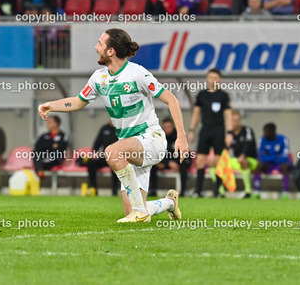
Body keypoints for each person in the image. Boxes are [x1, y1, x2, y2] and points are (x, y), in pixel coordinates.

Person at [38, 29, 189, 222]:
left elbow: (172, 101)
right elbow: (78, 101)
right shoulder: (99, 78)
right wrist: (52, 106)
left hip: (151, 140)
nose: (95, 47)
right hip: (128, 148)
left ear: (111, 51)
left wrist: (181, 136)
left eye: (100, 43)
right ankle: (169, 203)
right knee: (130, 212)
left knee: (112, 152)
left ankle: (140, 211)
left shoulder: (138, 74)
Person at [189, 68, 233, 198]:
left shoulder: (223, 96)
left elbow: (228, 114)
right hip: (205, 130)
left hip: (219, 131)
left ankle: (217, 191)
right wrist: (191, 130)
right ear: (207, 79)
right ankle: (198, 191)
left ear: (219, 80)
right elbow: (196, 113)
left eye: (216, 77)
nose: (213, 79)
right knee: (200, 161)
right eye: (211, 77)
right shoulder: (202, 94)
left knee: (219, 161)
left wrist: (229, 132)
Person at [149, 117, 192, 197]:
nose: (167, 129)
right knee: (153, 164)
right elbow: (158, 152)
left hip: (179, 161)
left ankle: (183, 191)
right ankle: (153, 190)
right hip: (166, 161)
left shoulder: (179, 137)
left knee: (183, 165)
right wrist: (167, 163)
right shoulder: (160, 138)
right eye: (165, 128)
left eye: (169, 127)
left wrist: (175, 162)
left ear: (173, 127)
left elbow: (183, 152)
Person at [76, 121, 119, 197]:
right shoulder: (104, 128)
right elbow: (97, 143)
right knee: (91, 162)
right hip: (104, 156)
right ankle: (93, 188)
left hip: (118, 157)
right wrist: (95, 153)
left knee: (114, 166)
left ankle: (114, 191)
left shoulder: (121, 128)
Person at [253, 123, 292, 199]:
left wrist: (269, 156)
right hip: (268, 164)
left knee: (285, 166)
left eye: (266, 132)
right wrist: (276, 156)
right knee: (259, 166)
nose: (264, 134)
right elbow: (261, 157)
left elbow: (285, 157)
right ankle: (256, 192)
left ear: (272, 132)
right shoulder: (262, 140)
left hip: (280, 164)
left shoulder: (283, 139)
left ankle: (285, 193)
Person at [227, 110, 258, 198]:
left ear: (240, 120)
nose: (234, 123)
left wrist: (243, 155)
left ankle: (248, 191)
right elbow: (225, 149)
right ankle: (220, 192)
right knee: (217, 163)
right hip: (236, 160)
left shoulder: (247, 130)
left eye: (236, 120)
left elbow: (248, 144)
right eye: (232, 121)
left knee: (243, 162)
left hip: (251, 160)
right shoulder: (229, 133)